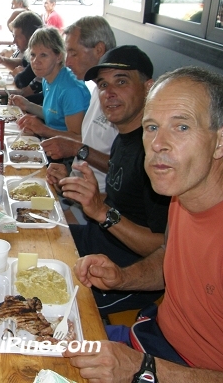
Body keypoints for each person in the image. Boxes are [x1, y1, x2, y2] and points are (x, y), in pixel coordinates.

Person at [66, 66, 223, 382]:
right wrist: (122, 278)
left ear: (221, 140)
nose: (158, 144)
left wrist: (140, 368)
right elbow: (170, 255)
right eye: (151, 127)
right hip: (151, 338)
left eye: (182, 127)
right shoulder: (184, 188)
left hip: (183, 370)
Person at [54, 45, 170, 315]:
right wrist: (81, 192)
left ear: (149, 87)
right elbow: (121, 204)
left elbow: (163, 244)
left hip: (125, 274)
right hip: (96, 244)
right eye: (103, 85)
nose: (109, 94)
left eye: (121, 81)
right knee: (23, 237)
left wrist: (101, 210)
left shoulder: (157, 155)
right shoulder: (125, 137)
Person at [43, 16, 119, 193]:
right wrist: (68, 174)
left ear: (99, 49)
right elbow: (90, 146)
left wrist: (74, 148)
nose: (67, 62)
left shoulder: (119, 104)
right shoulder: (96, 91)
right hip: (75, 188)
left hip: (97, 202)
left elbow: (122, 168)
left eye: (74, 53)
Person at [10, 27, 90, 138]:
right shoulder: (48, 78)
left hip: (66, 153)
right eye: (33, 55)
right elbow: (54, 114)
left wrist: (43, 130)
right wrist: (27, 105)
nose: (35, 61)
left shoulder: (71, 90)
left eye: (43, 55)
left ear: (59, 57)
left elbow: (79, 139)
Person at [0, 11, 44, 103]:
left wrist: (17, 74)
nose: (13, 41)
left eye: (17, 37)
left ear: (30, 37)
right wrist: (2, 60)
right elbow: (22, 62)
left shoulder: (40, 54)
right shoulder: (32, 51)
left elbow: (21, 82)